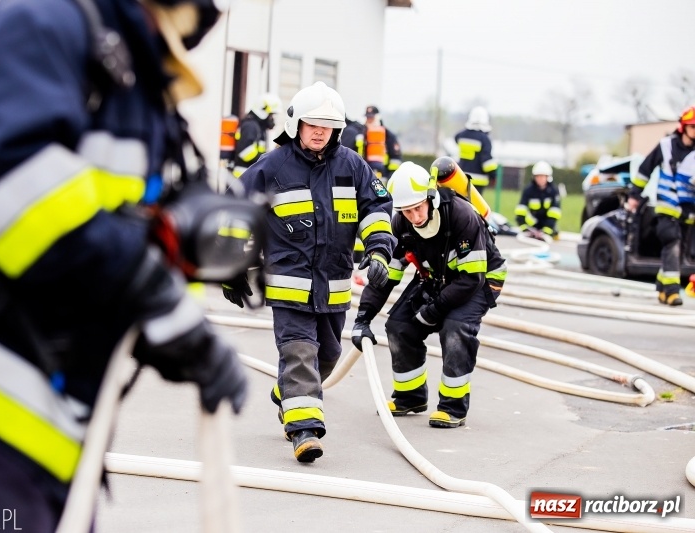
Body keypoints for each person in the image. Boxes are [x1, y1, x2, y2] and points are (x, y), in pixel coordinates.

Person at [0, 0, 249, 530]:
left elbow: (125, 235)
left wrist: (180, 335)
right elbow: (5, 185)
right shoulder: (40, 24)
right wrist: (147, 291)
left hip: (43, 445)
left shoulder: (137, 77)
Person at [225, 81, 396, 462]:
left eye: (328, 125)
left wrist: (380, 250)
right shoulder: (272, 168)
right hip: (288, 290)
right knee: (300, 353)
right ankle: (304, 432)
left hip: (334, 291)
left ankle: (289, 390)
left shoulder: (353, 166)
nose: (320, 131)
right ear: (296, 124)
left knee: (328, 357)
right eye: (312, 123)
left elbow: (377, 209)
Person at [351, 160, 507, 429]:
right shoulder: (401, 224)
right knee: (399, 325)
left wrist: (432, 312)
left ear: (430, 197)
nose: (414, 217)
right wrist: (363, 317)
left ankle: (453, 408)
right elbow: (387, 277)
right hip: (436, 277)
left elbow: (472, 278)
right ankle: (410, 397)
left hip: (480, 279)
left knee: (455, 327)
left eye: (417, 208)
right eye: (406, 211)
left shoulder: (460, 215)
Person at [626, 105, 695, 306]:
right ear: (683, 127)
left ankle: (662, 288)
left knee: (678, 251)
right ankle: (673, 292)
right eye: (693, 127)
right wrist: (634, 195)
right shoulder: (666, 147)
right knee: (671, 245)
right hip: (666, 208)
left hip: (688, 212)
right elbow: (644, 171)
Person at [232, 92, 282, 177]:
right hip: (243, 177)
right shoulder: (250, 126)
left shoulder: (258, 127)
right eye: (271, 115)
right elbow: (245, 152)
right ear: (262, 111)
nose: (272, 119)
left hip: (249, 176)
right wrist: (267, 158)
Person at [455, 106, 499, 194]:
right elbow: (487, 163)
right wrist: (493, 176)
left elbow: (456, 138)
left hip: (462, 177)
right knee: (475, 206)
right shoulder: (484, 139)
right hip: (478, 181)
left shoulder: (461, 136)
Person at [514, 161, 562, 240]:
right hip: (532, 224)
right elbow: (521, 210)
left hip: (548, 224)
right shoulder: (528, 190)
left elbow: (554, 213)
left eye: (542, 176)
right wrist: (524, 228)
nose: (540, 179)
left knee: (554, 234)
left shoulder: (553, 191)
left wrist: (546, 231)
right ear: (534, 177)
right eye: (538, 176)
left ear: (548, 177)